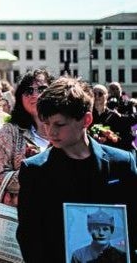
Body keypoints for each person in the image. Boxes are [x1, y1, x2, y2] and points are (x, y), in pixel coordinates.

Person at [17, 77, 137, 263]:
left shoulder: (122, 163)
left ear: (86, 120)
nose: (51, 132)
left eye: (59, 124)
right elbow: (29, 237)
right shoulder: (34, 170)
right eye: (46, 123)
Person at [0, 69, 53, 206]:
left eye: (42, 89)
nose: (35, 95)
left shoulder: (66, 127)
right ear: (20, 97)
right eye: (28, 91)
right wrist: (35, 175)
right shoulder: (10, 132)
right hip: (22, 214)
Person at [91, 84, 134, 152]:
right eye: (94, 94)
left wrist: (113, 138)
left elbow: (123, 138)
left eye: (100, 94)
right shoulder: (86, 114)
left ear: (106, 96)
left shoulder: (113, 115)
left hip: (110, 152)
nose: (96, 96)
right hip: (91, 151)